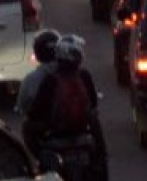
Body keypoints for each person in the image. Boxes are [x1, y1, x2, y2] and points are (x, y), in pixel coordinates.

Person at [24, 34, 107, 164]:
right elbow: (94, 104)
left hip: (56, 133)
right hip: (81, 130)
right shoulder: (84, 76)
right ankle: (102, 157)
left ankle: (38, 162)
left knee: (27, 127)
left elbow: (36, 111)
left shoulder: (51, 80)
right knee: (94, 118)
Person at [16, 29, 60, 116]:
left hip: (42, 126)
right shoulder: (75, 74)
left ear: (37, 53)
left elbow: (22, 104)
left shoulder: (30, 79)